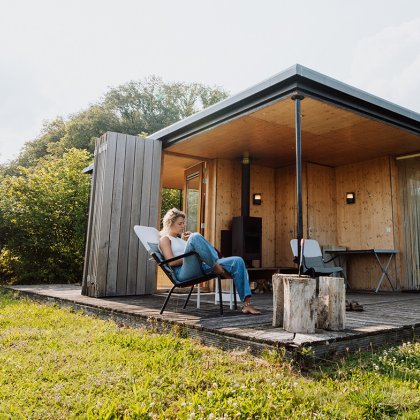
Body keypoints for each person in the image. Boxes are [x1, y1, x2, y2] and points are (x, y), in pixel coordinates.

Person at [159, 208, 261, 315]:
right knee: (196, 236)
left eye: (184, 223)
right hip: (182, 273)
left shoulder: (181, 240)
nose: (183, 226)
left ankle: (247, 305)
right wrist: (193, 252)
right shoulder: (165, 239)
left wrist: (194, 246)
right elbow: (171, 263)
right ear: (170, 223)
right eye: (180, 224)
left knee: (238, 261)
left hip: (200, 266)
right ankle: (216, 265)